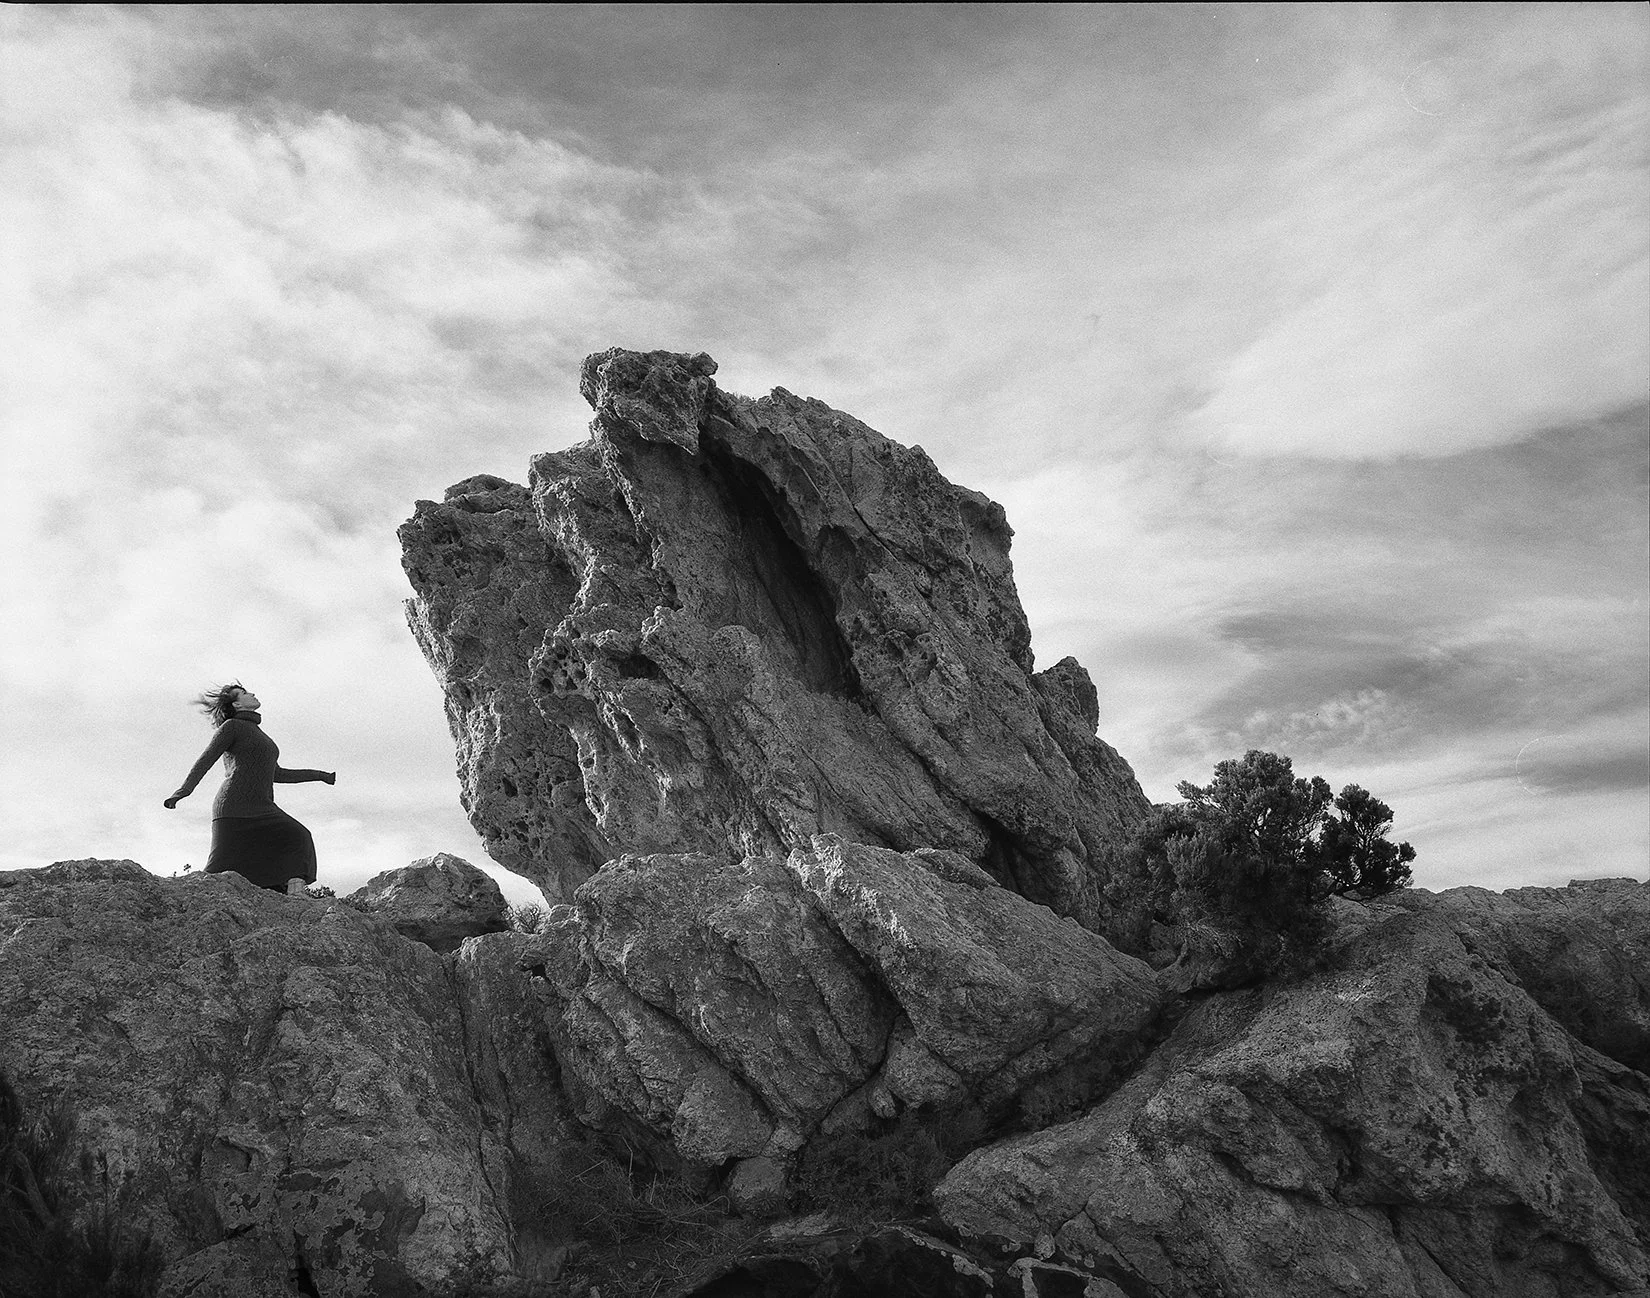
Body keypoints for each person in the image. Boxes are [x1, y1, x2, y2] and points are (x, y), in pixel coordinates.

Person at [165, 683, 336, 894]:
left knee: (297, 838)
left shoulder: (260, 735)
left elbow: (278, 774)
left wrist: (320, 776)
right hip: (234, 805)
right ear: (237, 704)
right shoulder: (232, 727)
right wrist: (182, 792)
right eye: (245, 693)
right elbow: (206, 759)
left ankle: (292, 896)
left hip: (262, 807)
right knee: (216, 873)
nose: (253, 693)